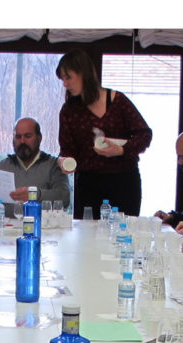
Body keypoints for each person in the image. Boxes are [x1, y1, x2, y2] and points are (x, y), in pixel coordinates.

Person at [55, 48, 152, 218]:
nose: (65, 83)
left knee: (122, 233)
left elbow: (144, 134)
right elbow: (67, 149)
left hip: (123, 180)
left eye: (68, 77)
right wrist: (63, 161)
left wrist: (122, 149)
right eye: (62, 79)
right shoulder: (69, 110)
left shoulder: (118, 101)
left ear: (83, 73)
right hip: (87, 183)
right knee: (86, 236)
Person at [0, 117, 71, 217]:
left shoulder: (53, 165)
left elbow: (64, 199)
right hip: (7, 230)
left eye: (28, 136)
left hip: (44, 230)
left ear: (39, 137)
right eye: (18, 137)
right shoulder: (1, 167)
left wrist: (34, 195)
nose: (22, 141)